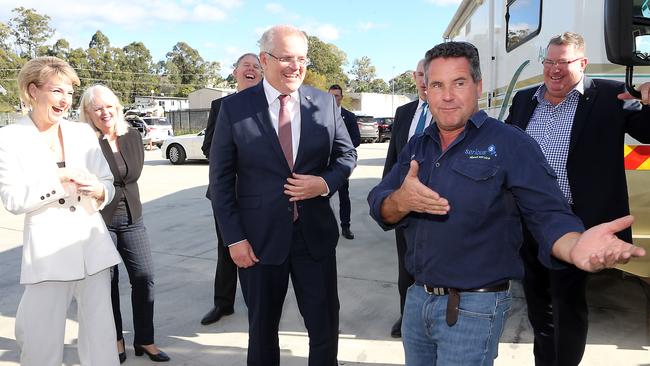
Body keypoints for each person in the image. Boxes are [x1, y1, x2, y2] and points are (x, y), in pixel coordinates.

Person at [367, 41, 645, 366]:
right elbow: (378, 203)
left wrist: (575, 246)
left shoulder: (511, 144)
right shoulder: (419, 144)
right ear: (425, 91)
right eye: (437, 85)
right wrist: (400, 201)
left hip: (472, 308)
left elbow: (547, 212)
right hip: (417, 301)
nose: (447, 95)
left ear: (478, 86)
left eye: (458, 83)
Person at [210, 24, 357, 365]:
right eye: (286, 58)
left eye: (302, 58)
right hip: (258, 242)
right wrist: (234, 240)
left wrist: (323, 184)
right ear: (264, 59)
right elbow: (220, 180)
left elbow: (346, 155)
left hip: (315, 238)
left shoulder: (324, 103)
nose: (296, 66)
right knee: (261, 332)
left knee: (324, 326)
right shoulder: (235, 109)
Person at [504, 32, 650, 366]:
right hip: (527, 222)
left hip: (575, 224)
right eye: (549, 62)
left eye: (564, 62)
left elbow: (647, 130)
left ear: (582, 63)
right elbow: (507, 148)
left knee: (566, 305)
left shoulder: (613, 95)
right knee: (538, 305)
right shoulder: (525, 100)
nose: (555, 70)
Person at [0, 56, 121, 366]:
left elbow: (107, 182)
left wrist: (99, 190)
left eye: (69, 92)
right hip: (48, 255)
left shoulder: (82, 133)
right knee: (42, 343)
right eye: (57, 90)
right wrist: (57, 181)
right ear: (32, 91)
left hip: (92, 248)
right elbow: (12, 199)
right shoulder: (10, 138)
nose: (65, 100)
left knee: (102, 338)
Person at [79, 85, 170, 363]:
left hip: (132, 217)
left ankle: (145, 340)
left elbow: (132, 175)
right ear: (88, 113)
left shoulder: (130, 136)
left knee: (144, 278)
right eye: (97, 108)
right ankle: (115, 340)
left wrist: (106, 184)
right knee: (109, 284)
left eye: (109, 106)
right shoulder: (85, 142)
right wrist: (105, 185)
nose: (105, 112)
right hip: (99, 220)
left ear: (117, 108)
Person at [200, 53, 262, 325]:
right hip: (226, 193)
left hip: (260, 195)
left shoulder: (270, 104)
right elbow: (208, 147)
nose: (251, 70)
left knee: (259, 251)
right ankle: (223, 304)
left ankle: (259, 305)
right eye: (246, 66)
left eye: (256, 67)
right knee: (227, 249)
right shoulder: (220, 105)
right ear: (235, 72)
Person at [381, 58, 431, 338]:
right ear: (415, 77)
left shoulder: (446, 109)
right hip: (403, 204)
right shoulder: (404, 112)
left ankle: (433, 319)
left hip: (437, 203)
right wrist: (387, 196)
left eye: (430, 75)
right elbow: (392, 158)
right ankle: (407, 317)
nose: (425, 82)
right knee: (406, 267)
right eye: (421, 75)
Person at [328, 84, 361, 240]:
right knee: (322, 198)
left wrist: (343, 149)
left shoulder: (349, 117)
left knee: (344, 197)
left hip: (340, 164)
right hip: (322, 164)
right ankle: (323, 227)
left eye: (336, 96)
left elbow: (356, 139)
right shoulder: (317, 115)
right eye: (331, 96)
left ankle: (345, 226)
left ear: (341, 97)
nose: (333, 99)